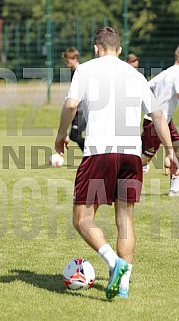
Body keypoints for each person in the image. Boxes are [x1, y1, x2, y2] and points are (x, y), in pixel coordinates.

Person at [55, 27, 179, 299]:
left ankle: (114, 262)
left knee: (82, 219)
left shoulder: (85, 70)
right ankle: (123, 286)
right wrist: (169, 151)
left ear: (96, 48)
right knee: (125, 219)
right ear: (120, 50)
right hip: (131, 155)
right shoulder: (135, 75)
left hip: (100, 153)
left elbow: (71, 105)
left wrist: (61, 135)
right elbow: (158, 115)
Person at [141, 45, 179, 189]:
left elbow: (147, 86)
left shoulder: (166, 72)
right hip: (155, 122)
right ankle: (120, 179)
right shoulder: (177, 73)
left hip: (163, 120)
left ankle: (175, 187)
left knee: (177, 147)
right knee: (144, 160)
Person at [62, 47, 86, 151]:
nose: (66, 62)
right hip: (78, 109)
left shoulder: (79, 71)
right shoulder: (75, 71)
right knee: (75, 135)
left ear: (75, 58)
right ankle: (88, 157)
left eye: (68, 60)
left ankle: (93, 154)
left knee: (74, 135)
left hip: (81, 109)